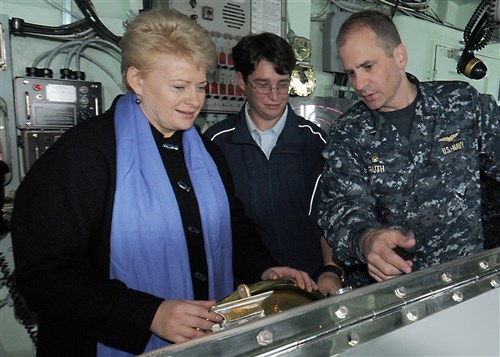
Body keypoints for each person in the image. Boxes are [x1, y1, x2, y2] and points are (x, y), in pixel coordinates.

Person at [10, 9, 317, 357]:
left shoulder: (205, 151)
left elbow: (232, 228)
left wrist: (263, 269)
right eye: (179, 87)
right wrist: (150, 314)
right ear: (136, 80)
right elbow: (45, 276)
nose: (194, 101)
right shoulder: (83, 156)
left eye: (200, 87)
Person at [317, 9, 500, 288]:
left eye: (368, 67)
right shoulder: (348, 132)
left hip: (463, 284)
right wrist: (367, 240)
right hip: (392, 294)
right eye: (351, 73)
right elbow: (340, 208)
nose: (360, 84)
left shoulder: (462, 105)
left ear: (399, 56)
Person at [204, 32, 343, 296]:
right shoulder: (216, 144)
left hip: (309, 284)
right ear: (241, 81)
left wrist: (331, 269)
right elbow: (220, 227)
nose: (274, 96)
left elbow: (330, 213)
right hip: (248, 288)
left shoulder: (314, 142)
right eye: (262, 84)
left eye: (282, 84)